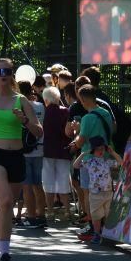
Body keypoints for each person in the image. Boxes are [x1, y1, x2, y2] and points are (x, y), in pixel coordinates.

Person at [0, 58, 43, 261]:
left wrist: (25, 121)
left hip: (16, 156)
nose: (3, 75)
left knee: (5, 207)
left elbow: (38, 132)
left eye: (7, 71)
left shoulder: (21, 100)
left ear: (11, 74)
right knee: (5, 200)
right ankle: (5, 254)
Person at [72, 85, 114, 242]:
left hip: (89, 159)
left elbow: (81, 141)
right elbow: (113, 130)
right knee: (105, 194)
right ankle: (104, 227)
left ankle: (92, 226)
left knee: (89, 194)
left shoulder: (87, 118)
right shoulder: (106, 113)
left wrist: (76, 131)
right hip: (106, 157)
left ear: (83, 99)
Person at [75, 135, 122, 244]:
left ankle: (107, 233)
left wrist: (113, 152)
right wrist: (83, 154)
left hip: (108, 192)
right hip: (95, 193)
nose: (100, 151)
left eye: (102, 149)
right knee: (96, 215)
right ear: (93, 150)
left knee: (107, 214)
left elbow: (121, 162)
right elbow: (76, 165)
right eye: (97, 149)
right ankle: (96, 233)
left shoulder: (107, 161)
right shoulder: (89, 162)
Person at [40, 85, 71, 222]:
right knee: (63, 180)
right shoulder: (66, 111)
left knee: (48, 182)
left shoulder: (44, 112)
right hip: (63, 151)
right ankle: (67, 210)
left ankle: (50, 211)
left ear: (46, 99)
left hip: (47, 151)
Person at [19, 81, 47, 228]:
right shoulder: (40, 106)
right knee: (38, 185)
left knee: (27, 186)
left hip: (24, 150)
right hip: (39, 148)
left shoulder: (20, 106)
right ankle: (41, 214)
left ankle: (30, 216)